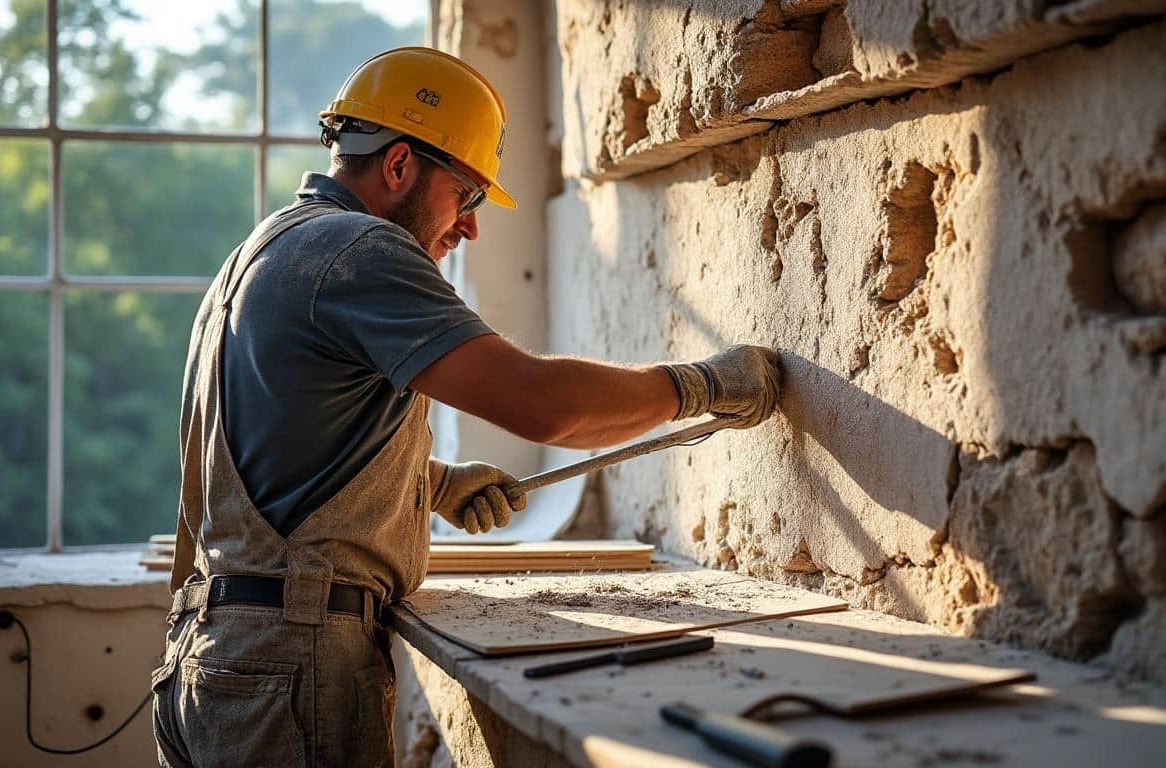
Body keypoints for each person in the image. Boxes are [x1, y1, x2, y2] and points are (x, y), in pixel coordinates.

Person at [151, 47, 782, 767]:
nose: (471, 225)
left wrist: (433, 482)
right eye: (468, 194)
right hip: (286, 667)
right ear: (398, 166)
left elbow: (270, 445)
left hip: (215, 659)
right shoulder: (361, 249)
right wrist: (701, 386)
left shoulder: (265, 250)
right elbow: (545, 408)